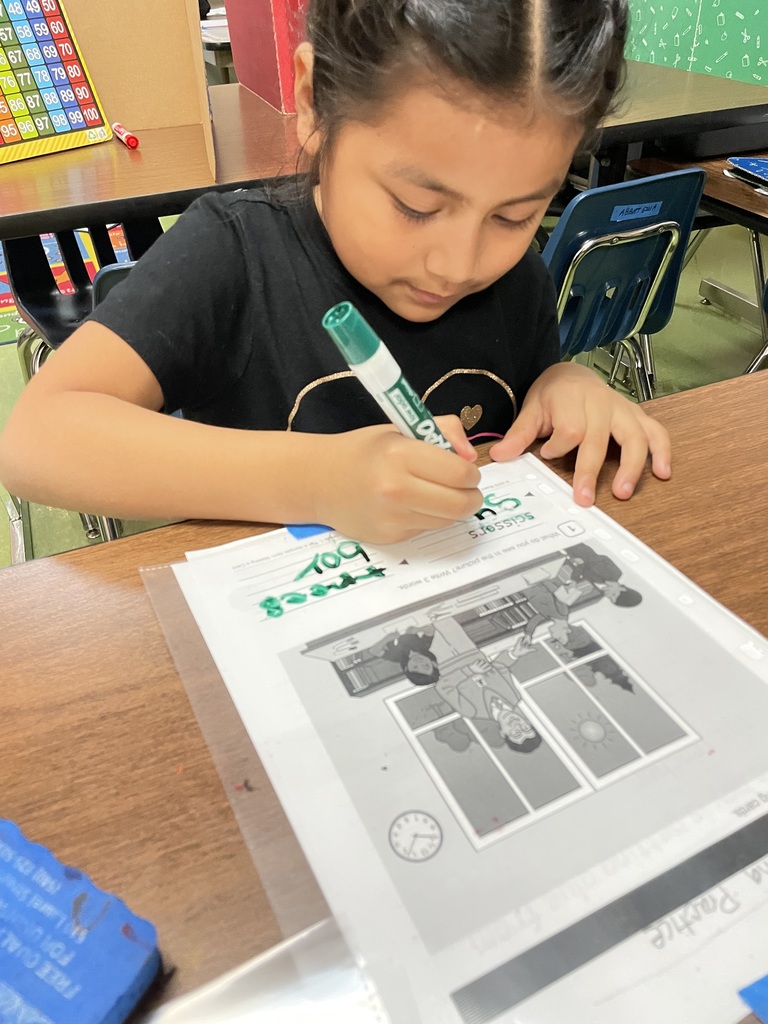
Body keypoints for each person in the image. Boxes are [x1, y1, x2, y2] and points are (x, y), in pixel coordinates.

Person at [0, 0, 671, 546]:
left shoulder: (512, 278)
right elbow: (36, 439)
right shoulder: (233, 255)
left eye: (515, 216)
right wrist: (318, 479)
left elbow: (518, 421)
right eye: (415, 206)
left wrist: (566, 382)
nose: (459, 263)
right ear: (315, 100)